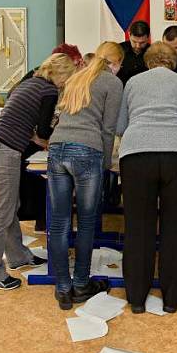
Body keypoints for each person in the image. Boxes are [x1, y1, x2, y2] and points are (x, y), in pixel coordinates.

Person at [117, 42, 177, 314]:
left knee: (137, 226)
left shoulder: (132, 83)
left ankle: (136, 298)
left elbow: (121, 125)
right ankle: (171, 298)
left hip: (137, 157)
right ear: (173, 61)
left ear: (147, 62)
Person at [0, 54, 77, 290]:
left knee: (9, 207)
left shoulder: (31, 83)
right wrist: (46, 138)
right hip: (5, 151)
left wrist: (35, 136)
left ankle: (18, 256)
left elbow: (29, 126)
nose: (67, 84)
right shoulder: (49, 91)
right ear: (61, 74)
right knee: (2, 212)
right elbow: (44, 132)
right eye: (68, 78)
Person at [47, 41, 124, 309]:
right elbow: (109, 128)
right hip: (87, 150)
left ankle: (62, 288)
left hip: (57, 149)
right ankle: (81, 283)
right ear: (116, 63)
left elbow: (59, 115)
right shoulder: (113, 83)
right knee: (88, 221)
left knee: (59, 222)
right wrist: (104, 161)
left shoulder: (76, 77)